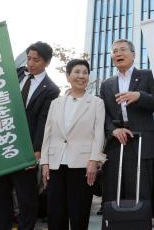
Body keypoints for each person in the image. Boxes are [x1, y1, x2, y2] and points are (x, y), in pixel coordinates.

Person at [0, 41, 60, 230]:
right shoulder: (16, 73)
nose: (30, 63)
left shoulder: (52, 90)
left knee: (26, 199)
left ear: (46, 62)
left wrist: (36, 151)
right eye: (29, 58)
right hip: (2, 145)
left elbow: (44, 123)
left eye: (36, 60)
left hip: (25, 149)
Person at [99, 39, 154, 225]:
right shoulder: (107, 84)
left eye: (123, 50)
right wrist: (114, 129)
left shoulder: (147, 76)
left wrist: (140, 96)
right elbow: (103, 114)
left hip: (142, 141)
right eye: (114, 51)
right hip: (117, 142)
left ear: (133, 54)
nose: (118, 53)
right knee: (113, 189)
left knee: (141, 190)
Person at [40, 59, 106, 230]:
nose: (81, 76)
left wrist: (94, 160)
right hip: (56, 163)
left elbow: (99, 134)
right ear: (68, 76)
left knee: (79, 212)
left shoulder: (97, 103)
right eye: (77, 72)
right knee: (55, 212)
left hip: (82, 164)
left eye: (85, 72)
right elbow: (48, 133)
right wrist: (45, 162)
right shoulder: (56, 103)